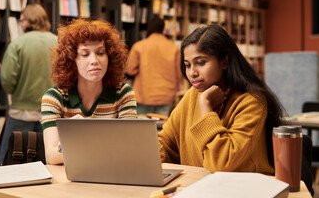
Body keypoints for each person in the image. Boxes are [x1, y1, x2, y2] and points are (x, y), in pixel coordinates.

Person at [158, 24, 284, 174]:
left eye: (201, 63)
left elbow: (222, 165)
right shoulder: (192, 96)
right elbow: (166, 144)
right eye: (187, 65)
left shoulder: (252, 102)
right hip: (198, 188)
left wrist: (205, 106)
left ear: (224, 62)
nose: (192, 73)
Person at [40, 18, 137, 165]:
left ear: (109, 57)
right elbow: (52, 157)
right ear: (72, 60)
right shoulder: (54, 97)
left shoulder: (123, 93)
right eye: (85, 54)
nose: (94, 60)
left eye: (100, 52)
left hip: (111, 177)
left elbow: (127, 149)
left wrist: (83, 140)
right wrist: (71, 135)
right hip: (68, 181)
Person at [0, 4, 58, 165]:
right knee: (46, 162)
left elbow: (8, 80)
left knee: (9, 159)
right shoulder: (59, 43)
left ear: (31, 20)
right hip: (52, 113)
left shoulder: (18, 44)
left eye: (22, 20)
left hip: (21, 111)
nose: (21, 24)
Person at [127, 17, 182, 116]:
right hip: (166, 94)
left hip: (144, 93)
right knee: (161, 128)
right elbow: (179, 73)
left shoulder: (139, 46)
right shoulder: (174, 48)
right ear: (163, 29)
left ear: (149, 29)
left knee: (142, 127)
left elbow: (130, 69)